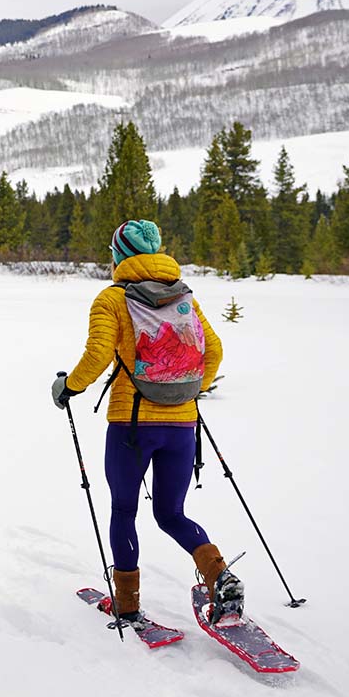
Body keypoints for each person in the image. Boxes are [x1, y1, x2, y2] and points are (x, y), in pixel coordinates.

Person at [51, 219, 241, 626]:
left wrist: (70, 387)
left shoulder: (112, 298)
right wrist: (188, 390)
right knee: (171, 513)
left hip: (131, 424)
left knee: (124, 510)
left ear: (120, 255)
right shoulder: (183, 296)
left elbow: (98, 352)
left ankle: (127, 604)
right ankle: (219, 576)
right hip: (183, 425)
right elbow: (215, 351)